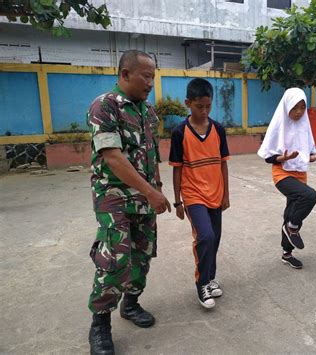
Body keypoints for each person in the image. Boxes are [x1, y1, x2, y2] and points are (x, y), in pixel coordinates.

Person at [86, 50, 171, 355]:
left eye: (153, 75)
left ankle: (131, 304)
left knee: (143, 254)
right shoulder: (104, 106)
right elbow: (113, 158)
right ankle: (100, 324)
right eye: (145, 75)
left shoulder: (148, 112)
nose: (151, 82)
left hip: (146, 198)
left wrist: (157, 188)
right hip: (114, 198)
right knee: (116, 258)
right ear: (124, 74)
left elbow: (152, 155)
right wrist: (151, 192)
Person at [169, 78, 230, 309]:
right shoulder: (179, 132)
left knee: (215, 238)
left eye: (208, 106)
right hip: (193, 195)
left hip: (216, 192)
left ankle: (211, 277)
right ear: (188, 103)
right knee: (204, 236)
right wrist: (177, 202)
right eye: (199, 106)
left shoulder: (219, 130)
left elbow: (224, 163)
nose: (204, 111)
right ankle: (201, 283)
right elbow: (177, 169)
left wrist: (226, 194)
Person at [257, 88, 316, 269]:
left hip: (300, 175)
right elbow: (269, 157)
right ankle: (292, 227)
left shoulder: (304, 125)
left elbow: (304, 155)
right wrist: (283, 158)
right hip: (282, 174)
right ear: (287, 107)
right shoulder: (279, 125)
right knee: (309, 197)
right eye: (295, 107)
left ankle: (287, 253)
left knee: (291, 213)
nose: (299, 112)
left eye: (302, 107)